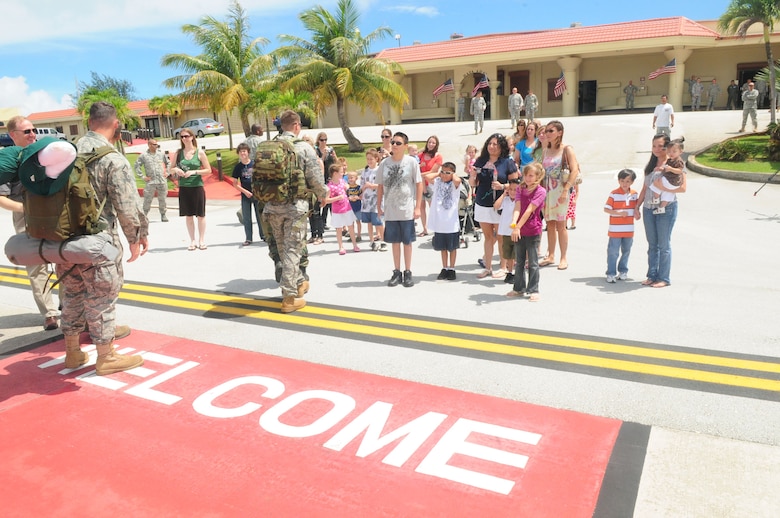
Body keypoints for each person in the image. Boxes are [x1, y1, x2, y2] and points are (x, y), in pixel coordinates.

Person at [59, 101, 149, 375]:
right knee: (102, 296)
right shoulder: (112, 158)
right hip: (98, 242)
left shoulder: (64, 152)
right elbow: (127, 205)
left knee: (72, 293)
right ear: (115, 125)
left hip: (63, 242)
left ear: (88, 122)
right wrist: (137, 237)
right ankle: (106, 355)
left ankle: (72, 352)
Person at [264, 110, 328, 312]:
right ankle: (289, 297)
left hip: (272, 206)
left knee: (283, 249)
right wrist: (323, 195)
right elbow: (316, 178)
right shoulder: (303, 148)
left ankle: (299, 283)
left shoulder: (268, 146)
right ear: (297, 126)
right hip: (294, 207)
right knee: (293, 250)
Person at [0, 116, 60, 330]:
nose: (33, 134)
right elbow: (1, 198)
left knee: (64, 258)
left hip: (55, 215)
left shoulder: (46, 154)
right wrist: (26, 209)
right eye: (26, 131)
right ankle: (49, 313)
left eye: (33, 130)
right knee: (36, 266)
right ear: (13, 135)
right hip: (26, 218)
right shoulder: (8, 161)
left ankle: (69, 303)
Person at [635, 133, 687, 289]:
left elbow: (683, 188)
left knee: (664, 245)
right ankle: (651, 276)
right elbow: (644, 189)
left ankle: (664, 278)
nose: (657, 149)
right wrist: (637, 206)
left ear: (669, 148)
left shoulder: (675, 165)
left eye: (661, 146)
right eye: (654, 146)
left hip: (667, 209)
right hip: (649, 208)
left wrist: (661, 187)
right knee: (652, 245)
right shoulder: (650, 166)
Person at [376, 131, 423, 288]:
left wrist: (417, 207)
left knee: (407, 242)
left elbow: (418, 184)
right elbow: (380, 186)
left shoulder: (411, 162)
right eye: (393, 142)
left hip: (406, 209)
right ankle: (397, 271)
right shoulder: (384, 164)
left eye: (398, 143)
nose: (394, 145)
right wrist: (378, 205)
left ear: (405, 146)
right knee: (395, 242)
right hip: (390, 209)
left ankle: (408, 272)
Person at [470, 133, 518, 278]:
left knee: (501, 236)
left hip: (501, 203)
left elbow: (516, 184)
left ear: (501, 146)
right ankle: (488, 267)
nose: (492, 146)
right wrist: (472, 176)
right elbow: (473, 184)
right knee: (488, 237)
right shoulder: (480, 161)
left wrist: (503, 186)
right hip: (482, 202)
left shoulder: (507, 162)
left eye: (495, 144)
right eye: (490, 143)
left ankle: (503, 267)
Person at [538, 120, 579, 271]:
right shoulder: (545, 150)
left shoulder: (567, 149)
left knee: (561, 225)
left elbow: (574, 170)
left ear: (559, 133)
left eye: (550, 131)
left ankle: (563, 257)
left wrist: (566, 189)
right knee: (549, 224)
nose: (547, 134)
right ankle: (551, 255)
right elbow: (542, 173)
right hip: (547, 191)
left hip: (561, 190)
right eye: (546, 131)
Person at [508, 162, 546, 302]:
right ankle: (518, 288)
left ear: (537, 176)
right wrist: (514, 223)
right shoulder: (520, 188)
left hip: (533, 229)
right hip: (520, 230)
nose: (528, 178)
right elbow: (517, 207)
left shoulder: (541, 191)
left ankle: (534, 289)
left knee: (533, 262)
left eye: (531, 175)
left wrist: (517, 227)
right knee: (519, 261)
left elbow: (530, 210)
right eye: (526, 175)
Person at [171, 128, 211, 250]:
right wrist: (176, 170)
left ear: (192, 137)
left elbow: (208, 170)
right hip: (184, 187)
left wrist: (194, 171)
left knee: (200, 215)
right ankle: (192, 240)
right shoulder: (178, 153)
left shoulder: (199, 153)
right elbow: (171, 169)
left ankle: (201, 240)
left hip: (197, 186)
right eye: (182, 137)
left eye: (186, 136)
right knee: (188, 215)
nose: (184, 139)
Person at [425, 161, 462, 281]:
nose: (445, 175)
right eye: (443, 172)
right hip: (440, 222)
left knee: (452, 247)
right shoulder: (437, 182)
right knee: (443, 248)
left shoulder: (454, 184)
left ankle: (452, 268)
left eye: (448, 173)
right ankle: (444, 267)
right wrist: (439, 173)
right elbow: (427, 177)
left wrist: (452, 174)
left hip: (451, 222)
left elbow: (457, 181)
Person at [603, 169, 639, 283]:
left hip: (629, 229)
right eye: (622, 181)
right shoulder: (614, 193)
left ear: (632, 182)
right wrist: (619, 213)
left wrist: (637, 213)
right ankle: (611, 273)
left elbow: (636, 209)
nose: (625, 183)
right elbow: (606, 209)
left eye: (628, 181)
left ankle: (623, 271)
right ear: (618, 181)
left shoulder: (634, 194)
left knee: (626, 250)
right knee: (613, 252)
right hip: (615, 230)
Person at [231, 142, 263, 246]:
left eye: (244, 151)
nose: (242, 153)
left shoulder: (254, 164)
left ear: (248, 152)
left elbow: (261, 179)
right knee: (246, 217)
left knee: (260, 216)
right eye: (240, 152)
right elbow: (235, 184)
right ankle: (248, 238)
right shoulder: (238, 167)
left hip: (257, 194)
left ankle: (263, 235)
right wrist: (245, 192)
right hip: (245, 195)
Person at [324, 164, 358, 255]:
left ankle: (354, 244)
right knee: (338, 229)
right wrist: (337, 198)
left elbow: (348, 189)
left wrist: (349, 191)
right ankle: (341, 246)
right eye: (341, 172)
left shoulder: (342, 181)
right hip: (337, 210)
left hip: (347, 208)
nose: (343, 173)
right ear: (335, 173)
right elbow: (326, 200)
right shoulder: (329, 186)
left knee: (351, 226)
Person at [134, 138, 170, 222]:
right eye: (154, 144)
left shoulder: (161, 154)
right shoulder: (144, 156)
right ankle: (144, 216)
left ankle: (163, 214)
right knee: (147, 199)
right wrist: (142, 176)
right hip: (151, 182)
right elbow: (137, 166)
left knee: (163, 199)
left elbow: (168, 163)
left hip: (161, 180)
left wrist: (167, 172)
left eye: (156, 144)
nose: (156, 146)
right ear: (149, 145)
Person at [495, 170, 521, 284]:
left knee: (517, 253)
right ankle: (509, 272)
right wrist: (503, 194)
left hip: (515, 231)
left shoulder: (520, 201)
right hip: (505, 231)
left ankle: (517, 273)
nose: (512, 192)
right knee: (508, 254)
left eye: (515, 190)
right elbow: (496, 206)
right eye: (510, 189)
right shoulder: (505, 200)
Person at [650, 137, 685, 215]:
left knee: (657, 182)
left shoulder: (679, 161)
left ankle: (656, 198)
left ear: (680, 152)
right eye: (669, 151)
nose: (671, 153)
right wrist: (661, 168)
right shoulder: (670, 160)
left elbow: (680, 170)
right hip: (672, 182)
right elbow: (665, 168)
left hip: (672, 180)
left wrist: (671, 169)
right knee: (667, 194)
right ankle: (661, 207)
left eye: (674, 151)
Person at [360, 149, 386, 251]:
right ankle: (372, 241)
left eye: (371, 159)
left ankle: (383, 241)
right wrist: (361, 192)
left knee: (379, 221)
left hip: (377, 200)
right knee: (369, 221)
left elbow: (383, 185)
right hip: (367, 201)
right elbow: (362, 184)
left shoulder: (380, 170)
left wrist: (371, 186)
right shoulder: (365, 171)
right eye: (368, 159)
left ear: (376, 159)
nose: (369, 161)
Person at [418, 135, 443, 237]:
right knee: (421, 207)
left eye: (433, 143)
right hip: (420, 184)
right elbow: (416, 166)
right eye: (429, 142)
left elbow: (433, 171)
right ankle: (424, 228)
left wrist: (419, 175)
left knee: (433, 207)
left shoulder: (438, 156)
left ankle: (437, 228)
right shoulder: (421, 155)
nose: (431, 144)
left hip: (431, 184)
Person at [315, 132, 337, 230]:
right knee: (324, 200)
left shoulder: (330, 149)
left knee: (330, 200)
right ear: (318, 140)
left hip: (330, 176)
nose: (324, 142)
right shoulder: (316, 150)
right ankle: (322, 222)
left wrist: (333, 156)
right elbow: (318, 163)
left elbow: (336, 162)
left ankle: (334, 221)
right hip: (321, 177)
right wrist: (323, 155)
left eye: (325, 140)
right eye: (322, 140)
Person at [346, 171, 362, 241]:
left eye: (352, 178)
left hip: (357, 207)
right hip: (349, 207)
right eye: (349, 178)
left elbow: (362, 196)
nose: (350, 179)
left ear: (356, 178)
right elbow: (344, 196)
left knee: (358, 221)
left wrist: (357, 197)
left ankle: (359, 235)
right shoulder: (347, 188)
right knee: (350, 222)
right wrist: (348, 198)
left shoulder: (359, 188)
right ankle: (352, 235)